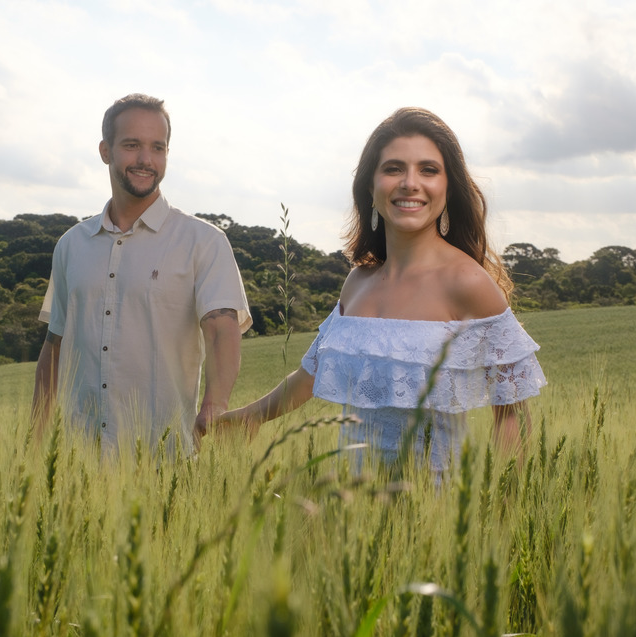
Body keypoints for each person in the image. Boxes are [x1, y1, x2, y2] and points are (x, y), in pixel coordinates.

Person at [216, 107, 545, 475]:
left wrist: (501, 504)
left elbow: (511, 414)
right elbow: (314, 371)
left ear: (448, 187)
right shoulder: (358, 282)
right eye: (393, 169)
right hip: (351, 508)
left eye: (428, 169)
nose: (409, 182)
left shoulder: (467, 283)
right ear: (371, 188)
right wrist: (249, 418)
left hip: (437, 509)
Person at [32, 93, 251, 455]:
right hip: (77, 462)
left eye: (158, 147)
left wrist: (215, 404)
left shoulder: (204, 241)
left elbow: (221, 330)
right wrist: (37, 439)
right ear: (106, 151)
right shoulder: (71, 245)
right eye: (132, 145)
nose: (146, 160)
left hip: (163, 461)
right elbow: (55, 346)